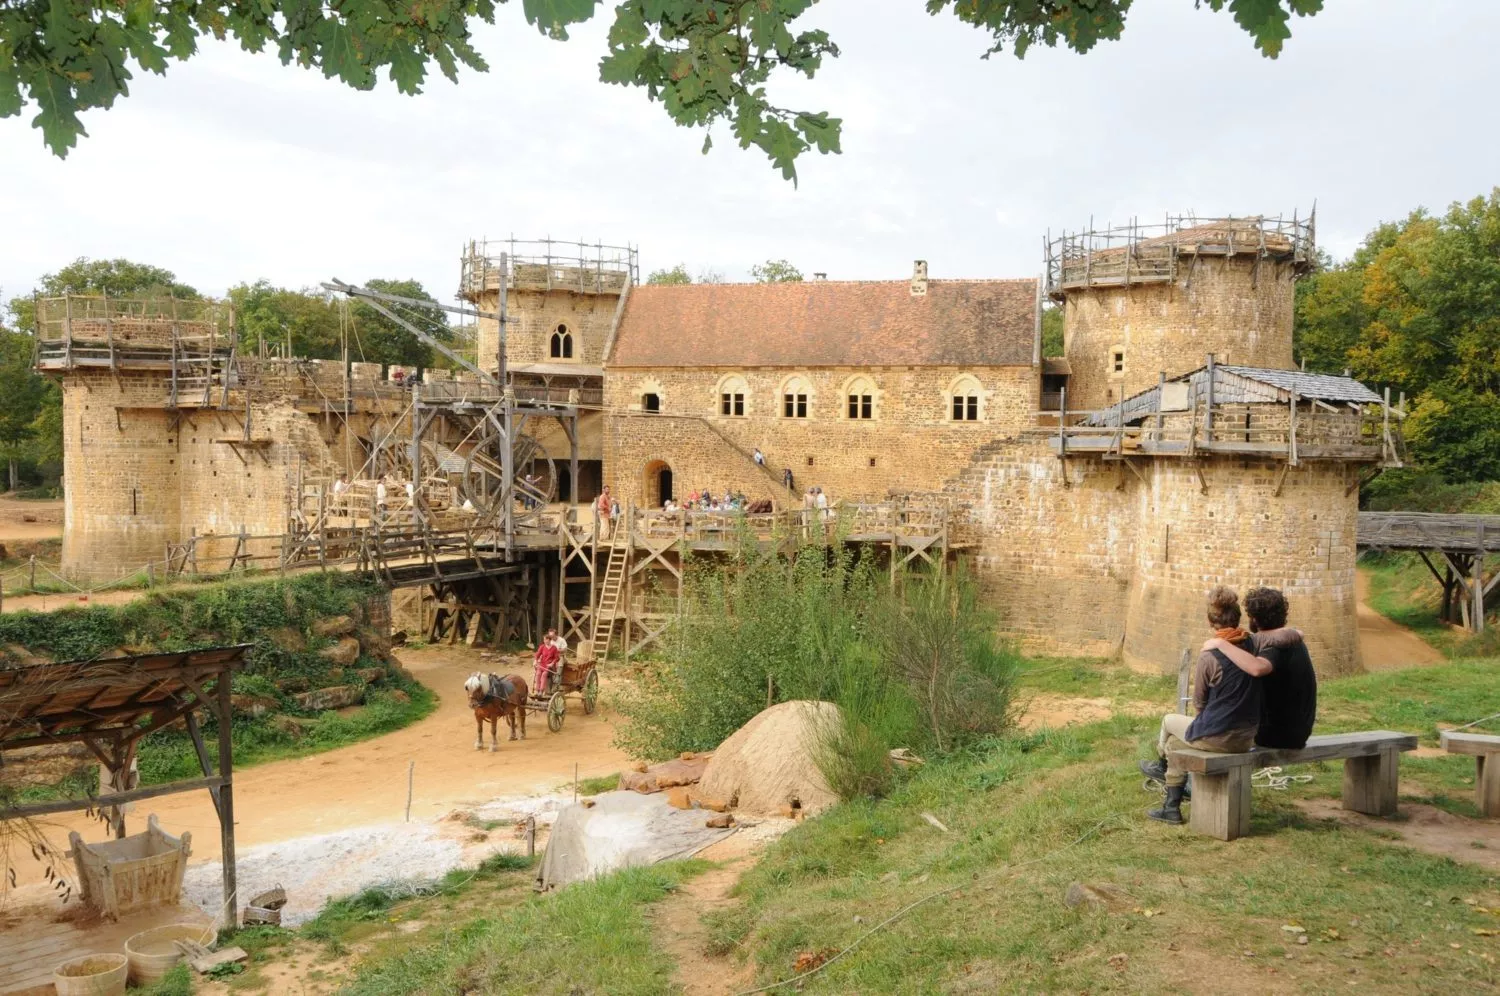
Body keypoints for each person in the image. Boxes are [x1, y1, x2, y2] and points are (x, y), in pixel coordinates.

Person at [1139, 586, 1263, 824]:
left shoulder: (1209, 656)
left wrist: (1206, 723)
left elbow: (1199, 702)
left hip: (1222, 737)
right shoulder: (1253, 645)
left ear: (1210, 622)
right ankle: (1169, 806)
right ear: (1238, 619)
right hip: (1248, 736)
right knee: (1177, 741)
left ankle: (1162, 771)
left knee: (1169, 724)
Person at [1205, 586, 1317, 750]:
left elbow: (1258, 668)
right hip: (1298, 732)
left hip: (1274, 736)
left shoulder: (1272, 648)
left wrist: (1220, 644)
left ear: (1254, 620)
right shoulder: (1292, 640)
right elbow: (1297, 633)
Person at [533, 629, 561, 694]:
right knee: (538, 674)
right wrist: (535, 660)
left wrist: (552, 663)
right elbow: (537, 655)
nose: (544, 641)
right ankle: (537, 690)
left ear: (549, 640)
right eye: (544, 639)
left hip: (549, 666)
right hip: (542, 664)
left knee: (544, 674)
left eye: (545, 639)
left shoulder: (554, 648)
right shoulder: (542, 647)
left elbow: (557, 658)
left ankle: (541, 691)